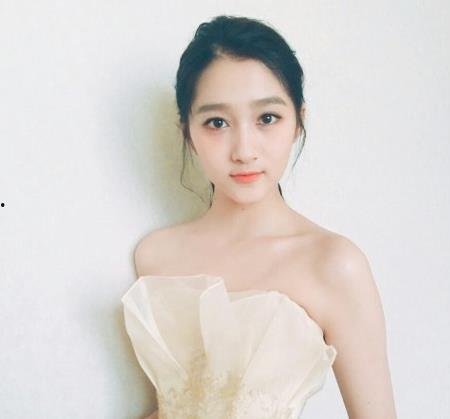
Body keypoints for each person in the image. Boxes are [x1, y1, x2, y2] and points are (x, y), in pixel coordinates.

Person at [124, 14, 397, 419]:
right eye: (217, 122)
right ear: (187, 132)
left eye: (267, 118)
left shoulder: (333, 264)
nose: (244, 150)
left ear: (298, 121)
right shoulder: (155, 256)